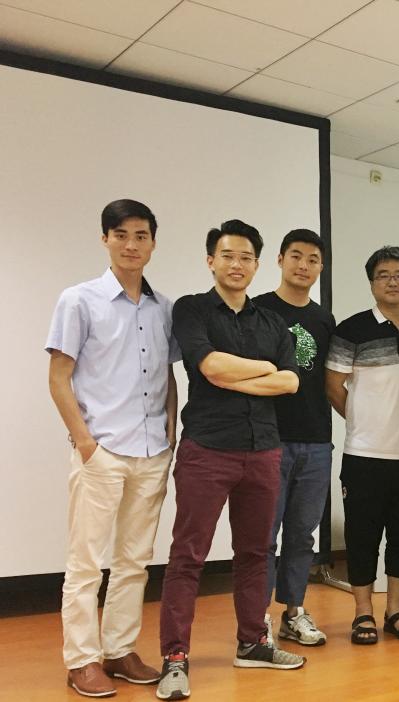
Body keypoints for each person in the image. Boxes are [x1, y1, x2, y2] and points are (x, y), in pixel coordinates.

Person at [157, 220, 305, 701]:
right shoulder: (192, 309)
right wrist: (264, 369)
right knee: (188, 556)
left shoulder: (272, 322)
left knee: (256, 552)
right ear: (210, 261)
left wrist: (240, 374)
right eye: (227, 255)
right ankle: (175, 657)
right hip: (207, 449)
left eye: (246, 257)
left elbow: (291, 382)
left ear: (257, 265)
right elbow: (210, 366)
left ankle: (252, 642)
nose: (237, 264)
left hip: (263, 450)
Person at [46, 199, 178, 698]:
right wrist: (86, 444)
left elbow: (166, 375)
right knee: (85, 563)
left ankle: (119, 650)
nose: (131, 244)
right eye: (121, 234)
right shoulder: (79, 300)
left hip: (152, 451)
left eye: (141, 235)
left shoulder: (164, 308)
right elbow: (58, 377)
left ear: (153, 243)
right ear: (105, 239)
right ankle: (81, 660)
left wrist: (170, 431)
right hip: (101, 451)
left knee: (134, 562)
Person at [326, 246, 399, 645]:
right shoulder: (351, 329)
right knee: (362, 537)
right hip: (363, 454)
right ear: (372, 283)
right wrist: (362, 420)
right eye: (383, 275)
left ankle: (395, 610)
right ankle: (362, 611)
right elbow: (334, 386)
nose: (392, 281)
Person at [254, 229, 335, 647]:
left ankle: (294, 612)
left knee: (303, 534)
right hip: (270, 440)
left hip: (317, 441)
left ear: (321, 267)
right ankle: (257, 619)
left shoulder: (324, 319)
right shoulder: (258, 310)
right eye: (296, 256)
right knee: (263, 535)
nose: (304, 265)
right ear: (280, 259)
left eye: (313, 259)